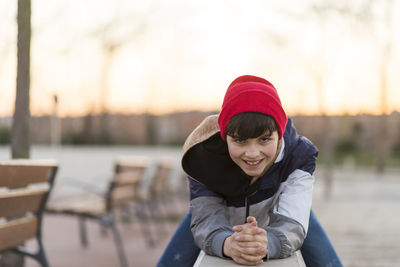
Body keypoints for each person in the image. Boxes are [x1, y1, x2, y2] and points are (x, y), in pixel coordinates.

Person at [157, 75, 343, 267]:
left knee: (323, 255)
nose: (253, 153)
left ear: (279, 134)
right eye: (239, 140)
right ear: (225, 137)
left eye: (264, 139)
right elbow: (207, 216)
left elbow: (293, 223)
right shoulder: (204, 158)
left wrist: (265, 244)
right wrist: (227, 243)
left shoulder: (298, 155)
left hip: (281, 210)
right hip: (221, 214)